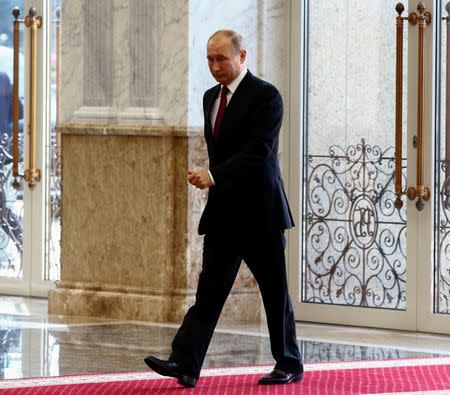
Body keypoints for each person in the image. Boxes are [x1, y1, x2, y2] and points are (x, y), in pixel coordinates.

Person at [144, 29, 303, 388]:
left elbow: (258, 152)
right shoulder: (208, 98)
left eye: (222, 59)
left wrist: (213, 175)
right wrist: (213, 179)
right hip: (223, 216)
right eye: (210, 59)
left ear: (242, 56)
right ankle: (185, 363)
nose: (215, 66)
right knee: (209, 292)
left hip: (261, 214)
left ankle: (289, 363)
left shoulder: (266, 96)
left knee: (274, 291)